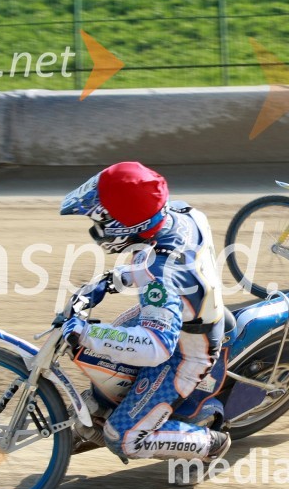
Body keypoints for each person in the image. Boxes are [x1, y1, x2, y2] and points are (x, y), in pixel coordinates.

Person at [59, 161, 231, 471]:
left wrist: (87, 333)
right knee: (102, 363)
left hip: (185, 351)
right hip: (176, 312)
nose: (97, 225)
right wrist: (111, 281)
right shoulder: (181, 213)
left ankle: (209, 444)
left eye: (102, 218)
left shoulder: (160, 275)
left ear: (125, 226)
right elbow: (158, 258)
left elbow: (157, 349)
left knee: (122, 438)